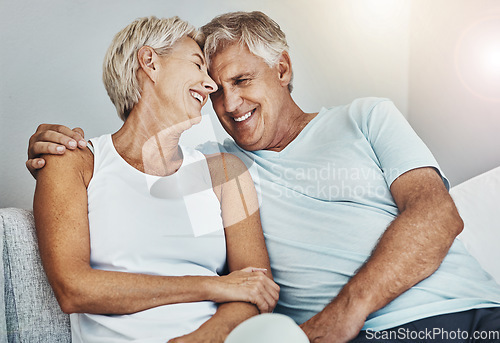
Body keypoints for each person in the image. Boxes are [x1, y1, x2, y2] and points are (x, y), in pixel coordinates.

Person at [28, 11, 500, 343]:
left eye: (241, 81)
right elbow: (79, 281)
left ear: (282, 67)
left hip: (467, 312)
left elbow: (436, 213)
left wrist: (340, 317)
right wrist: (52, 147)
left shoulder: (364, 117)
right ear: (150, 64)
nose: (224, 101)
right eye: (210, 83)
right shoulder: (216, 165)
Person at [32, 15, 281, 343]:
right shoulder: (73, 161)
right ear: (150, 62)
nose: (210, 86)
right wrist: (213, 285)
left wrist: (203, 338)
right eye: (197, 65)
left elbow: (256, 292)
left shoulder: (226, 173)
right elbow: (73, 289)